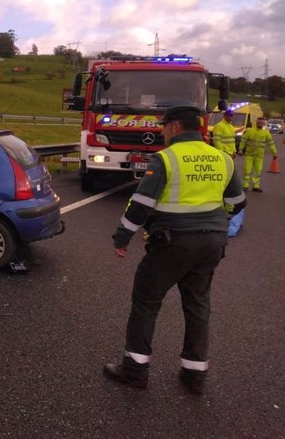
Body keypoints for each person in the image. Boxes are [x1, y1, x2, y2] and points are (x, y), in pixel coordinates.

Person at [105, 106, 246, 394]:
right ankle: (194, 376)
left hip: (173, 242)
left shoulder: (165, 159)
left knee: (146, 302)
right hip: (212, 242)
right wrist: (218, 221)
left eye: (164, 126)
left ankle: (135, 371)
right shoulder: (222, 158)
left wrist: (122, 239)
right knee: (197, 306)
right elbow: (238, 201)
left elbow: (140, 205)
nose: (161, 131)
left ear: (176, 127)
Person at [238, 116, 277, 192]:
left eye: (261, 123)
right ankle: (245, 185)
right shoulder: (250, 131)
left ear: (264, 124)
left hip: (259, 156)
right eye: (259, 122)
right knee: (247, 170)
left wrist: (274, 153)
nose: (260, 124)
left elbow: (271, 143)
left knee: (257, 171)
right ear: (256, 123)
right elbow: (244, 140)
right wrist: (240, 149)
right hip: (249, 154)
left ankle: (256, 186)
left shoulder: (266, 132)